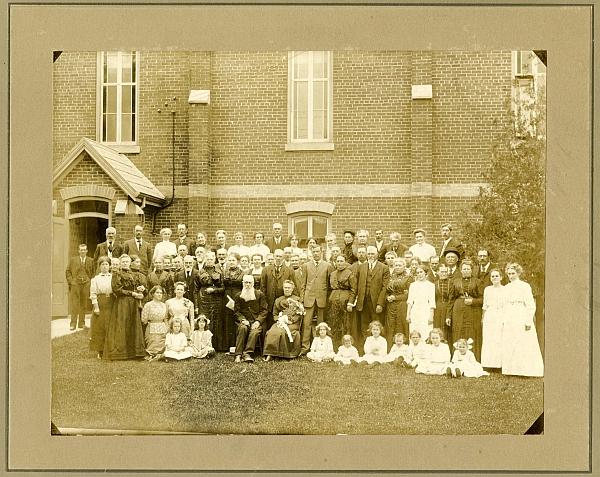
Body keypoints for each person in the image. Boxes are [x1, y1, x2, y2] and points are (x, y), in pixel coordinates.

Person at [501, 263, 544, 377]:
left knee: (523, 342)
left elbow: (530, 304)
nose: (511, 276)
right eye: (509, 274)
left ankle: (526, 370)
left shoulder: (525, 286)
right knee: (511, 341)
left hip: (520, 313)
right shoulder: (506, 287)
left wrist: (528, 320)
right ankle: (511, 370)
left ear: (518, 273)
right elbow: (504, 305)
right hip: (509, 315)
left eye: (513, 273)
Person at [103, 254, 146, 360]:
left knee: (132, 324)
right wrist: (132, 294)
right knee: (122, 325)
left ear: (130, 263)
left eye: (127, 262)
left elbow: (135, 287)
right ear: (120, 264)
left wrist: (140, 289)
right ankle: (121, 353)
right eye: (123, 262)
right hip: (122, 303)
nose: (125, 264)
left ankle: (134, 353)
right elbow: (117, 290)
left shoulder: (133, 275)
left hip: (133, 303)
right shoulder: (117, 275)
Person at [446, 260, 484, 361]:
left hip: (473, 311)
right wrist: (448, 316)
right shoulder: (456, 281)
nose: (466, 271)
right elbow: (451, 299)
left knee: (472, 332)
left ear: (472, 270)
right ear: (461, 270)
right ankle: (457, 358)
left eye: (468, 269)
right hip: (458, 309)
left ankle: (473, 359)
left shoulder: (477, 281)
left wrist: (473, 302)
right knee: (458, 331)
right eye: (464, 269)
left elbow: (482, 299)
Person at [299, 245, 332, 355]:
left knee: (321, 324)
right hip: (309, 298)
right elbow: (303, 283)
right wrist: (302, 300)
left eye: (318, 251)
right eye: (314, 252)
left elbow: (329, 285)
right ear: (311, 253)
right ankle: (305, 347)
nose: (316, 253)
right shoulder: (306, 265)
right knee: (306, 323)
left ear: (321, 252)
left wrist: (327, 299)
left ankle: (320, 348)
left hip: (322, 298)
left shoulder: (328, 266)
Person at [355, 246, 389, 346]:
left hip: (376, 302)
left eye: (372, 254)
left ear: (377, 255)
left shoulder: (383, 268)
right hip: (363, 302)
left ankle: (378, 348)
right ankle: (366, 348)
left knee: (377, 325)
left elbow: (385, 287)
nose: (370, 256)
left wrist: (380, 303)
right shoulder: (361, 267)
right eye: (369, 254)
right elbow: (357, 284)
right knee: (364, 325)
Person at [263, 280, 304, 361]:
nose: (287, 289)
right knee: (272, 331)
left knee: (282, 332)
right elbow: (275, 314)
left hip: (293, 323)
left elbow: (299, 315)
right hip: (280, 322)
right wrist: (278, 320)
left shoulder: (297, 300)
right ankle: (270, 353)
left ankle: (284, 354)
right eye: (285, 288)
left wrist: (291, 321)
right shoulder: (278, 300)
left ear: (292, 289)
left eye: (289, 288)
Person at [232, 275, 268, 363]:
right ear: (243, 283)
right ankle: (238, 354)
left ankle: (247, 353)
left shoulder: (260, 295)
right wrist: (243, 320)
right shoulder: (238, 295)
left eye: (250, 283)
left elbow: (264, 311)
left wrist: (258, 321)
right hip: (244, 321)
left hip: (256, 320)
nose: (248, 285)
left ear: (253, 284)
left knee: (255, 332)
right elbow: (236, 311)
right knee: (243, 328)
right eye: (246, 282)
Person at [260, 249, 298, 331]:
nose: (278, 258)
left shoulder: (289, 271)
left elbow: (294, 288)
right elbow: (263, 288)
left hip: (283, 305)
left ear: (283, 257)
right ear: (273, 257)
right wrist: (265, 303)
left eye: (280, 256)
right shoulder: (266, 270)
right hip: (269, 303)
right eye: (276, 256)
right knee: (270, 326)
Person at [195, 252, 224, 350]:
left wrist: (214, 290)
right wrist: (196, 306)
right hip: (203, 299)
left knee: (216, 321)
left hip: (216, 300)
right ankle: (203, 346)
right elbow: (196, 289)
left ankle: (217, 346)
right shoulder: (200, 272)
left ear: (214, 260)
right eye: (207, 259)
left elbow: (223, 288)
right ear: (204, 260)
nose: (209, 261)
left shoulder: (219, 272)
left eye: (211, 259)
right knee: (205, 321)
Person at [327, 255, 357, 347]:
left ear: (345, 262)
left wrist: (350, 303)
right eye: (338, 261)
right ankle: (335, 346)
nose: (339, 263)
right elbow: (329, 289)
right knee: (334, 324)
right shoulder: (332, 274)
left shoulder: (350, 273)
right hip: (333, 302)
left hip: (345, 302)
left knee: (345, 324)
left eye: (341, 261)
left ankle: (346, 345)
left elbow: (354, 289)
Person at [481, 268, 506, 371]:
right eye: (493, 276)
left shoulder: (505, 289)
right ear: (490, 278)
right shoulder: (487, 289)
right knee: (488, 339)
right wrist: (483, 318)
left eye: (497, 276)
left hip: (500, 314)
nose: (495, 278)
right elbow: (485, 305)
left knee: (499, 339)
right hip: (489, 315)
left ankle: (499, 365)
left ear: (501, 277)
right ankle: (488, 364)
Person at [385, 257, 413, 348]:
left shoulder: (408, 278)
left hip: (402, 305)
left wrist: (395, 297)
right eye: (396, 265)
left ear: (404, 266)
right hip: (391, 306)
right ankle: (391, 349)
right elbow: (386, 290)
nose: (397, 267)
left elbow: (409, 295)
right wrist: (387, 297)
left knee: (401, 325)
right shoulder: (391, 277)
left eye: (400, 265)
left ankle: (403, 349)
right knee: (390, 326)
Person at [89, 256, 113, 358]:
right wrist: (96, 307)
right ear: (99, 266)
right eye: (102, 264)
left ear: (109, 266)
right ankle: (100, 350)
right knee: (100, 327)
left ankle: (110, 349)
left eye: (106, 264)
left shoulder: (113, 277)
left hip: (111, 302)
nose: (104, 266)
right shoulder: (95, 279)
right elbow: (93, 294)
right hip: (101, 303)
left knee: (110, 326)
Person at [66, 243, 94, 330]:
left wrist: (90, 281)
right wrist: (71, 281)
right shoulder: (73, 260)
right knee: (75, 303)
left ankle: (81, 323)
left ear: (86, 251)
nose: (82, 251)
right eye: (81, 250)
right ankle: (73, 323)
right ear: (78, 251)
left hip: (86, 283)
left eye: (84, 250)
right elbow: (68, 271)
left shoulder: (91, 260)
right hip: (76, 283)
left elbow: (93, 272)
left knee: (83, 303)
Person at [406, 266, 436, 343]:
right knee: (414, 330)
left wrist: (431, 315)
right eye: (418, 272)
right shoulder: (413, 285)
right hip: (415, 310)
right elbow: (410, 301)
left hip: (425, 310)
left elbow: (432, 301)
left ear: (425, 273)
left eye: (421, 272)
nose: (419, 274)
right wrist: (408, 314)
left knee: (425, 331)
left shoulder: (430, 285)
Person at [140, 285, 168, 361]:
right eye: (157, 293)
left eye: (161, 293)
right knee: (153, 343)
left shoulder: (163, 305)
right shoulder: (148, 305)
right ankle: (152, 355)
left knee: (163, 343)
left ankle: (161, 355)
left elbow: (165, 317)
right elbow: (144, 319)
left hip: (162, 326)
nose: (159, 294)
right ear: (153, 294)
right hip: (152, 327)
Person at [222, 253, 244, 349]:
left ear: (238, 262)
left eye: (233, 260)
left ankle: (237, 345)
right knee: (227, 320)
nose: (231, 262)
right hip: (226, 297)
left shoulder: (242, 273)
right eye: (229, 260)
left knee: (236, 318)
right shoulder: (225, 272)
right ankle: (227, 345)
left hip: (237, 296)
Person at [433, 264, 452, 345]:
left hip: (448, 307)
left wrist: (448, 315)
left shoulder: (451, 283)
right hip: (437, 308)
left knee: (447, 330)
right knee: (437, 328)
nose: (444, 274)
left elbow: (451, 299)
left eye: (445, 272)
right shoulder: (434, 284)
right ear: (437, 272)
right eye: (442, 272)